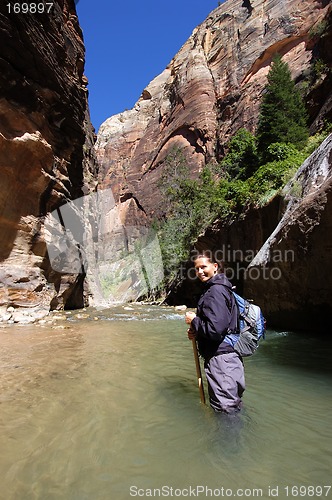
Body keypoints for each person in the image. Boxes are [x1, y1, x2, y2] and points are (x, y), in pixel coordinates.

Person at [185, 252, 245, 413]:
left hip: (221, 360)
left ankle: (226, 439)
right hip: (228, 358)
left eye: (203, 267)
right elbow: (221, 325)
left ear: (215, 266)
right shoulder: (222, 288)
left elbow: (215, 330)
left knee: (225, 411)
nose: (200, 272)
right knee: (232, 407)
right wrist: (197, 332)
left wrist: (194, 321)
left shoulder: (215, 291)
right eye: (197, 269)